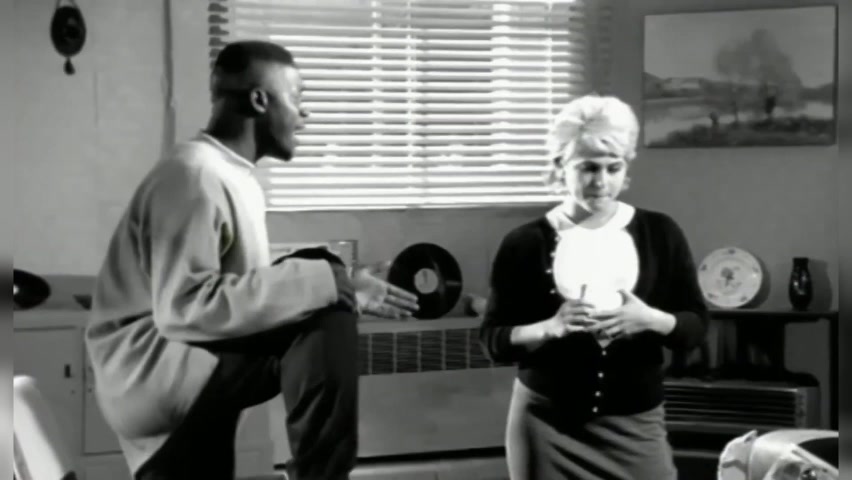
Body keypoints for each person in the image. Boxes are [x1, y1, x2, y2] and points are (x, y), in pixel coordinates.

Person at [85, 40, 418, 480]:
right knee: (324, 301)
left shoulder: (225, 175)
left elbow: (242, 287)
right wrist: (334, 283)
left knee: (323, 276)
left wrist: (341, 278)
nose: (305, 114)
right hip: (154, 370)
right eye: (296, 98)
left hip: (179, 369)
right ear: (260, 100)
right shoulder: (193, 176)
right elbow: (183, 306)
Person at [479, 94, 708, 480]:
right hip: (547, 426)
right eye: (587, 168)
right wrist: (548, 328)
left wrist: (651, 319)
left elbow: (696, 327)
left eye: (613, 168)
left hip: (637, 428)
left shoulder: (660, 233)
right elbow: (492, 341)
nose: (601, 182)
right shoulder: (524, 243)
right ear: (560, 166)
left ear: (627, 168)